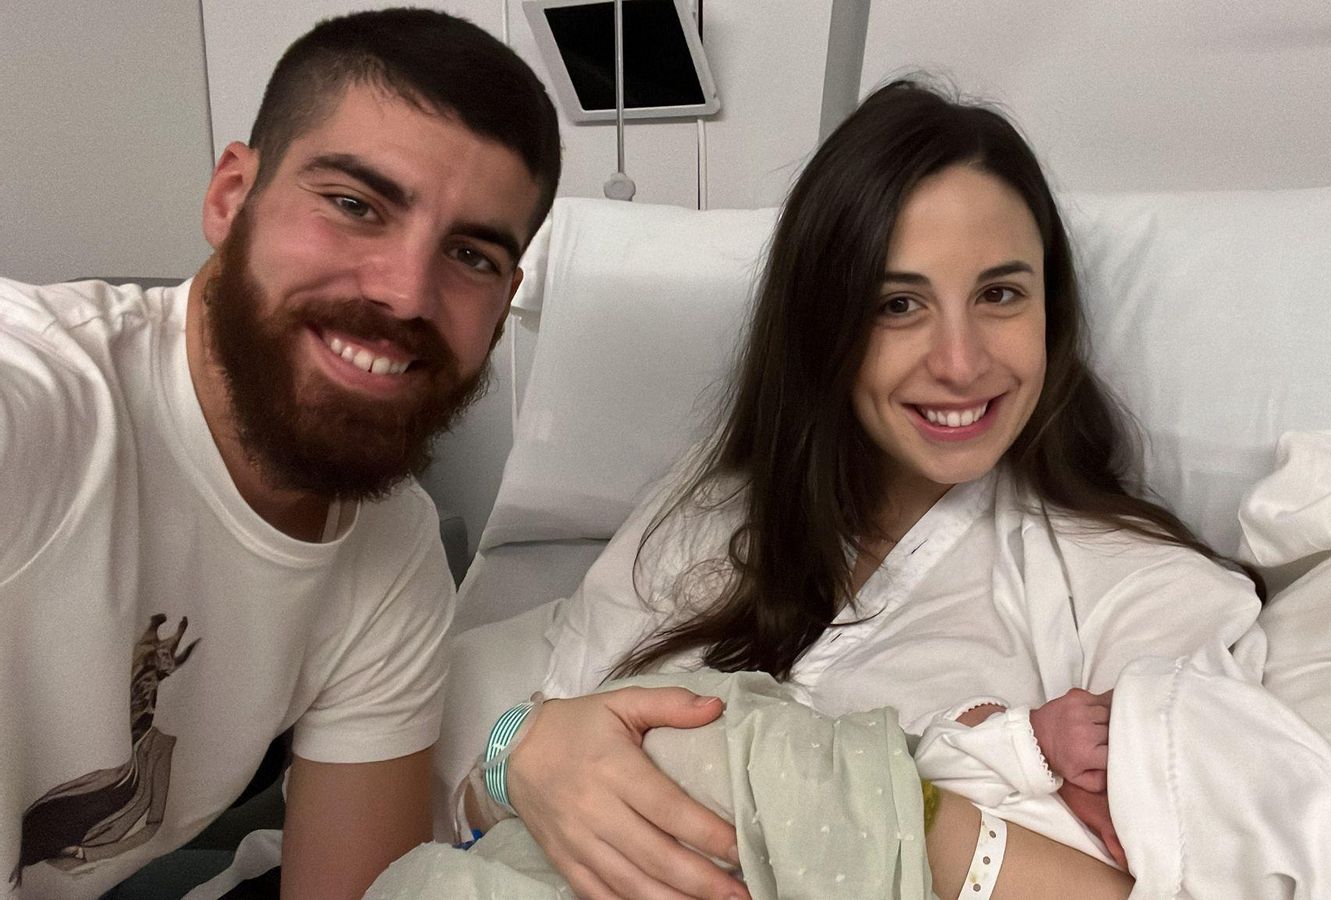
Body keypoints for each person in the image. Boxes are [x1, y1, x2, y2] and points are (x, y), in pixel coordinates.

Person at [479, 80, 1264, 900]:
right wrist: (511, 754)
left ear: (1050, 310)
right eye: (898, 304)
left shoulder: (1136, 593)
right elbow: (522, 771)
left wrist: (857, 799)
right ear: (824, 327)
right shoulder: (708, 515)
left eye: (999, 295)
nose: (960, 362)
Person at [0, 9, 560, 898]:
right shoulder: (41, 408)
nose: (408, 293)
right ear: (231, 196)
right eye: (354, 205)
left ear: (509, 297)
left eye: (471, 255)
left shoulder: (393, 553)